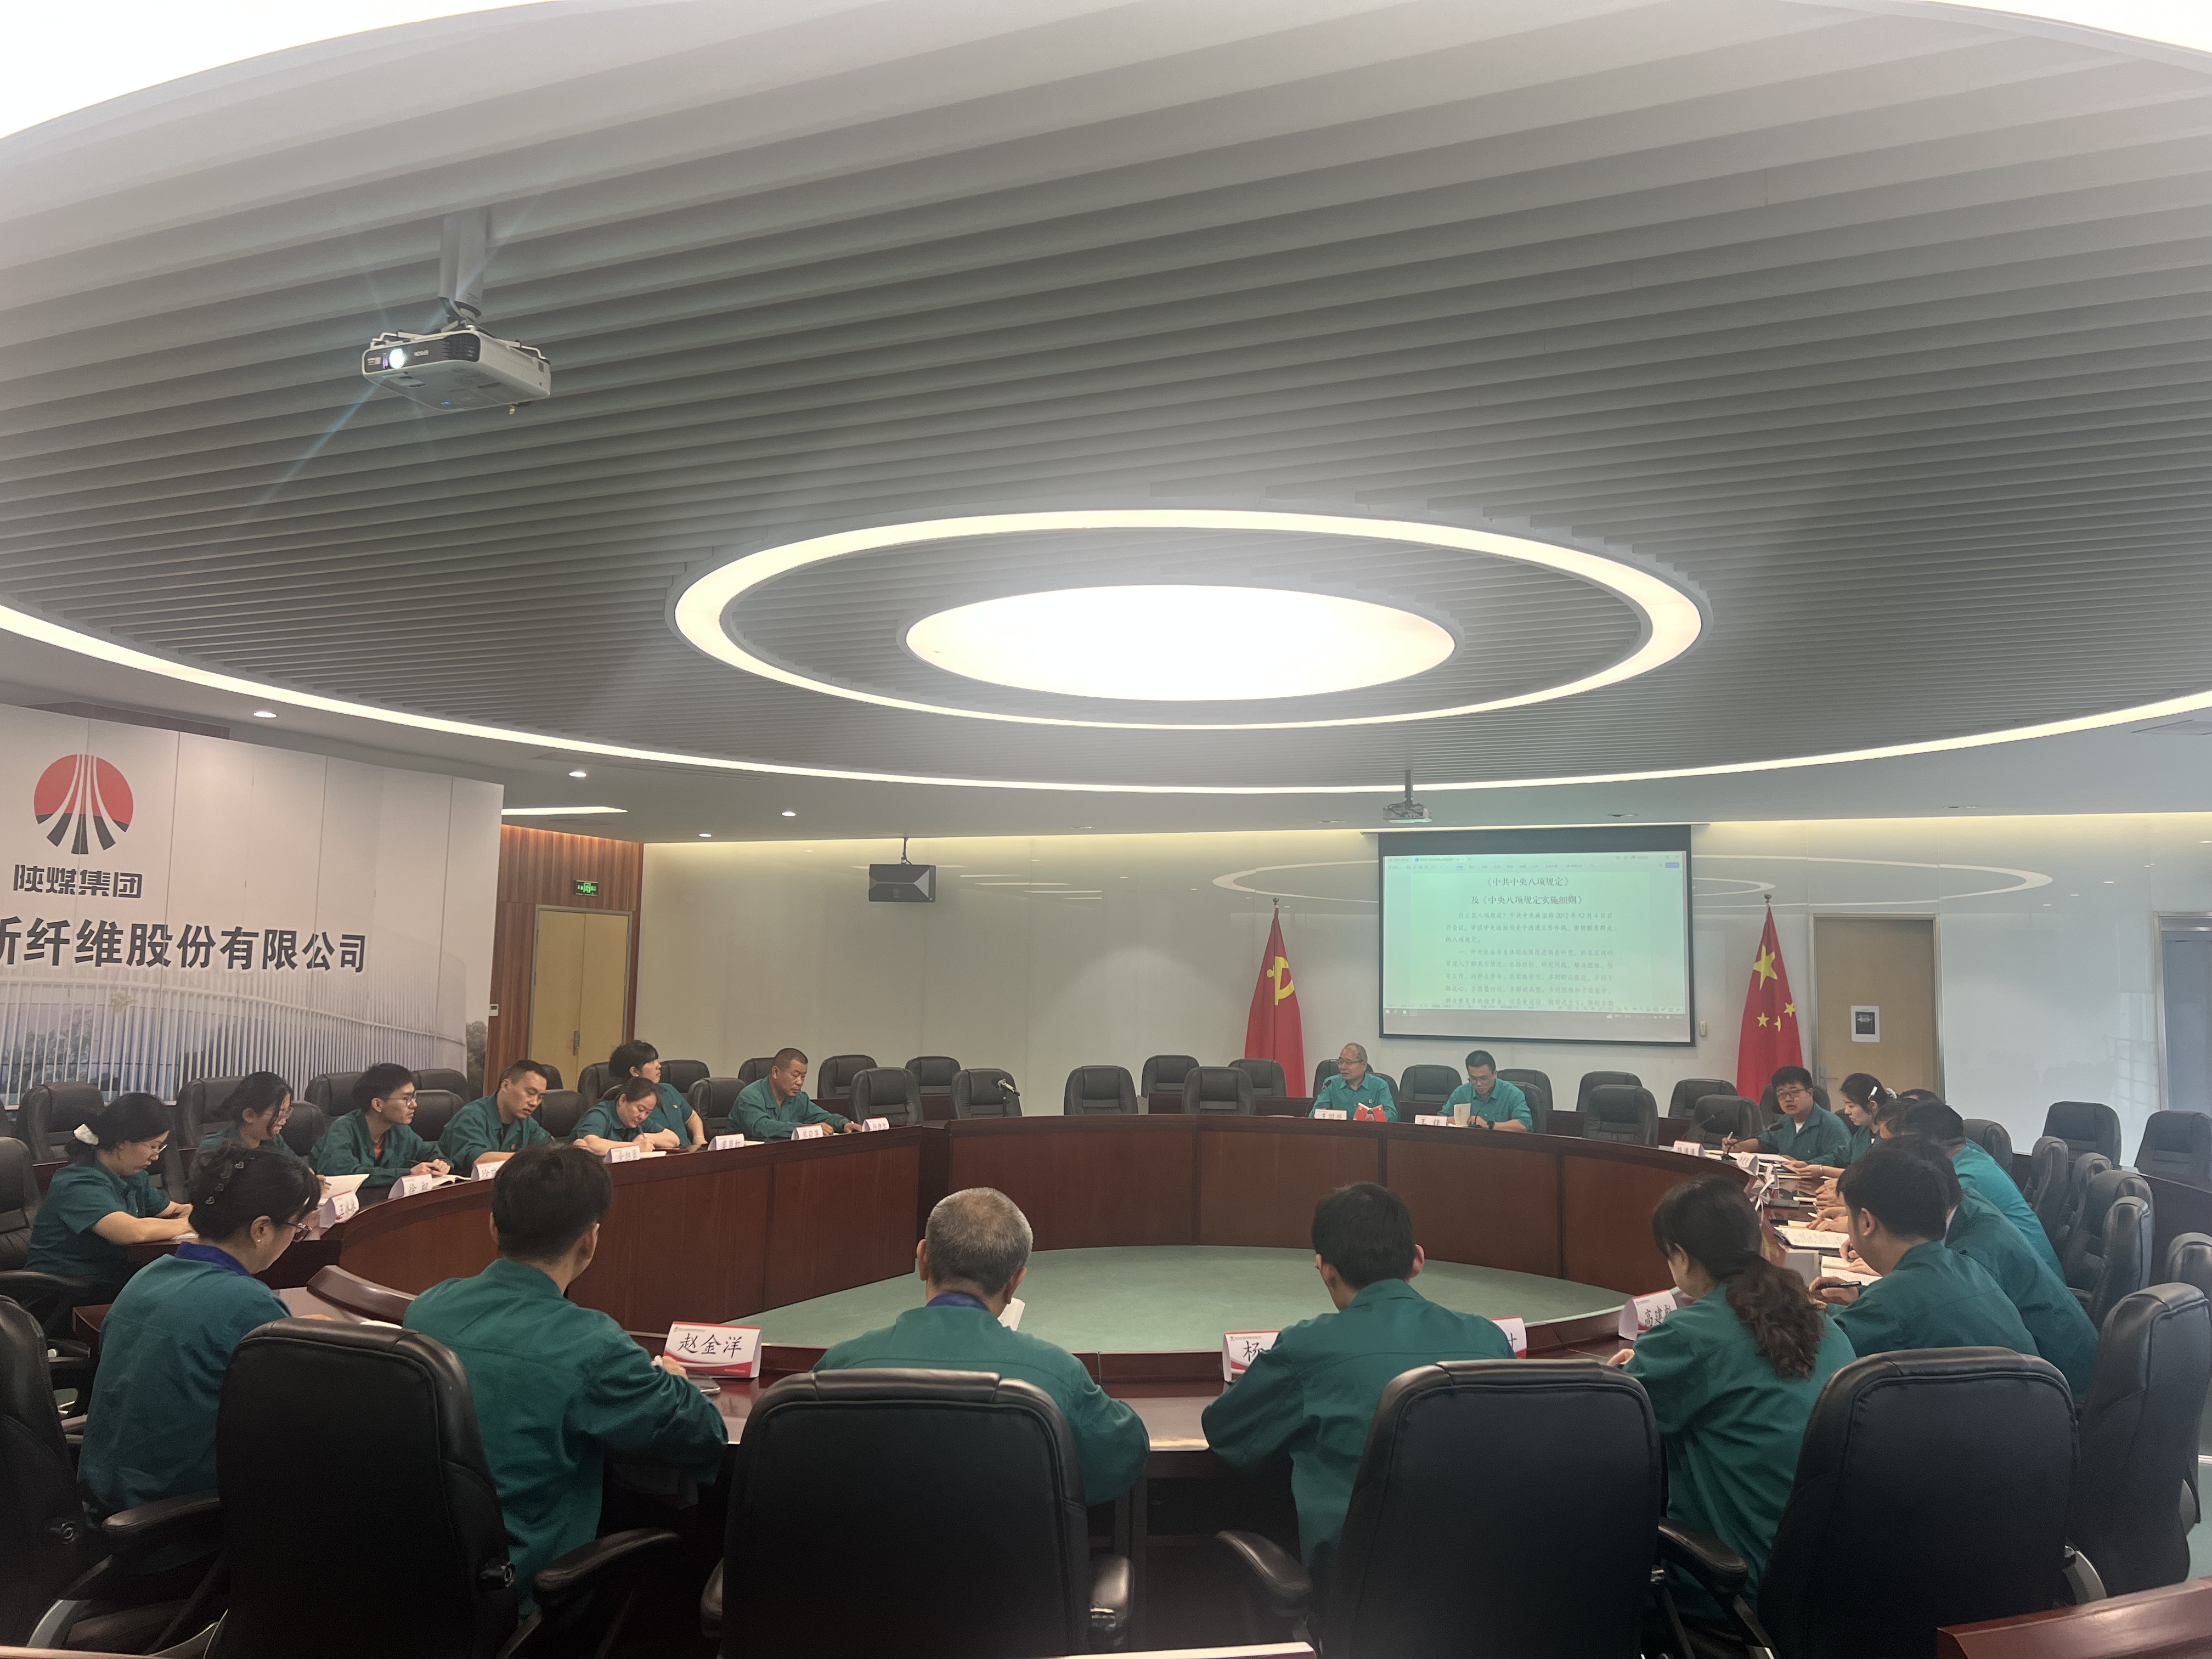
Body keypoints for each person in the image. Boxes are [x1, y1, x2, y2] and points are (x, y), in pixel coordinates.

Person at [403, 1146, 726, 1612]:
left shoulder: (428, 1308)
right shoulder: (592, 1344)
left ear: (493, 1225)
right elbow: (703, 1433)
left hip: (420, 1582)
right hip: (519, 1596)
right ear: (590, 1240)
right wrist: (672, 1379)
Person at [1203, 1183, 1515, 1581]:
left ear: (1324, 1268)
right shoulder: (1489, 1340)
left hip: (1365, 1596)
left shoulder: (1307, 1347)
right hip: (1487, 1588)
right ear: (1417, 1260)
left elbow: (1227, 1435)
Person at [1607, 1179, 1854, 1616]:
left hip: (1735, 1589)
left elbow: (1604, 1427)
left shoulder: (1689, 1336)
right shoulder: (1823, 1323)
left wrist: (1626, 1374)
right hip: (1830, 1584)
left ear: (1681, 1256)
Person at [816, 1187, 1148, 1505]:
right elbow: (1120, 1460)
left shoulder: (840, 1367)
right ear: (1014, 1282)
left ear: (923, 1259)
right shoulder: (1057, 1375)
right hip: (1013, 1548)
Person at [78, 1147, 320, 1519]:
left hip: (106, 1497)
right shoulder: (249, 1305)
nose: (294, 1239)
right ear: (261, 1229)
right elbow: (293, 1419)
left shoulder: (151, 1274)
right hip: (178, 1514)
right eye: (296, 1228)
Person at [1889, 1136, 2098, 1397]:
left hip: (2061, 1385)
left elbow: (1937, 1307)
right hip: (2047, 1366)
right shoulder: (1967, 1205)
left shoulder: (1973, 1255)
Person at [1810, 1139, 2036, 1361]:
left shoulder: (1889, 1302)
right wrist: (1860, 1297)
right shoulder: (1969, 1267)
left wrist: (1806, 1309)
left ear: (1866, 1222)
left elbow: (1819, 1353)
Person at [27, 1093, 194, 1302]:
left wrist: (197, 1211)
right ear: (123, 1142)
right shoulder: (77, 1182)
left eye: (160, 1147)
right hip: (66, 1295)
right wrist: (192, 1222)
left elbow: (173, 1210)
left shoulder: (133, 1176)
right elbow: (131, 1232)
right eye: (153, 1146)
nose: (156, 1155)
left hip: (113, 1283)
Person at [1897, 1098, 2067, 1280]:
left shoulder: (1967, 1181)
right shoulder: (1972, 1160)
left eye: (1905, 1144)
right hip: (2016, 1273)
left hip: (2030, 1282)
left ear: (1925, 1144)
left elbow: (1934, 1249)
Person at [310, 1064, 449, 1189]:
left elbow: (432, 1153)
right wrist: (408, 1173)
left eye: (413, 1097)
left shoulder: (401, 1131)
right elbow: (343, 1174)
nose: (414, 1104)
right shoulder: (343, 1129)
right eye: (406, 1099)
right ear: (378, 1105)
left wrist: (441, 1164)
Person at [441, 1060, 555, 1175]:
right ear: (506, 1085)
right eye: (530, 1093)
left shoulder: (527, 1123)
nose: (534, 1103)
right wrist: (530, 1158)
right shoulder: (470, 1116)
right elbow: (478, 1160)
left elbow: (550, 1151)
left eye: (540, 1097)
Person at [1726, 1066, 1849, 1166]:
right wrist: (1739, 1146)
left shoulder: (1832, 1125)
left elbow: (1842, 1159)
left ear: (1810, 1093)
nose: (1788, 1099)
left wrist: (1805, 1165)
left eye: (1794, 1092)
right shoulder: (1785, 1121)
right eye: (1782, 1094)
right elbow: (1765, 1142)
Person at [597, 1041, 704, 1147]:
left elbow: (692, 1117)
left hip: (688, 1153)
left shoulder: (669, 1090)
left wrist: (699, 1139)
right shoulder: (626, 1103)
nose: (659, 1066)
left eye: (656, 1061)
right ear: (635, 1072)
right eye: (651, 1062)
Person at [733, 1048, 854, 1139]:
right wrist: (806, 1129)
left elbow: (824, 1117)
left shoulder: (799, 1098)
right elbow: (762, 1127)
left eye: (803, 1077)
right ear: (775, 1072)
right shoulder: (750, 1096)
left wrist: (845, 1124)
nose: (800, 1082)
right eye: (795, 1076)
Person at [1790, 1073, 1891, 1178]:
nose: (1847, 1111)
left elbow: (1869, 1175)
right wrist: (1807, 1164)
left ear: (1872, 1105)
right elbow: (1840, 1157)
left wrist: (1823, 1171)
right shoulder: (1864, 1132)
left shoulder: (1891, 1135)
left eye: (1851, 1106)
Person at [194, 1071, 306, 1163]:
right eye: (279, 1114)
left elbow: (303, 1172)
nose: (283, 1121)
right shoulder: (214, 1149)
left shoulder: (274, 1141)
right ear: (249, 1115)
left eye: (286, 1112)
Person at [1443, 1051, 1530, 1131]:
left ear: (1495, 1074)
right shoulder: (1461, 1093)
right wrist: (1449, 1120)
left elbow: (1524, 1125)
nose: (1479, 1084)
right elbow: (1440, 1119)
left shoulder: (1512, 1094)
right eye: (1473, 1078)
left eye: (1484, 1078)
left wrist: (1489, 1125)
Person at [1311, 1043, 1395, 1120]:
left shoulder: (1380, 1085)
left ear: (1363, 1065)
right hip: (1338, 1131)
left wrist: (1375, 1118)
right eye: (1341, 1062)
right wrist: (1319, 1114)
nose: (1343, 1067)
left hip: (1368, 1131)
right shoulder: (1331, 1084)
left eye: (1349, 1063)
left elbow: (1392, 1114)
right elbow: (1314, 1113)